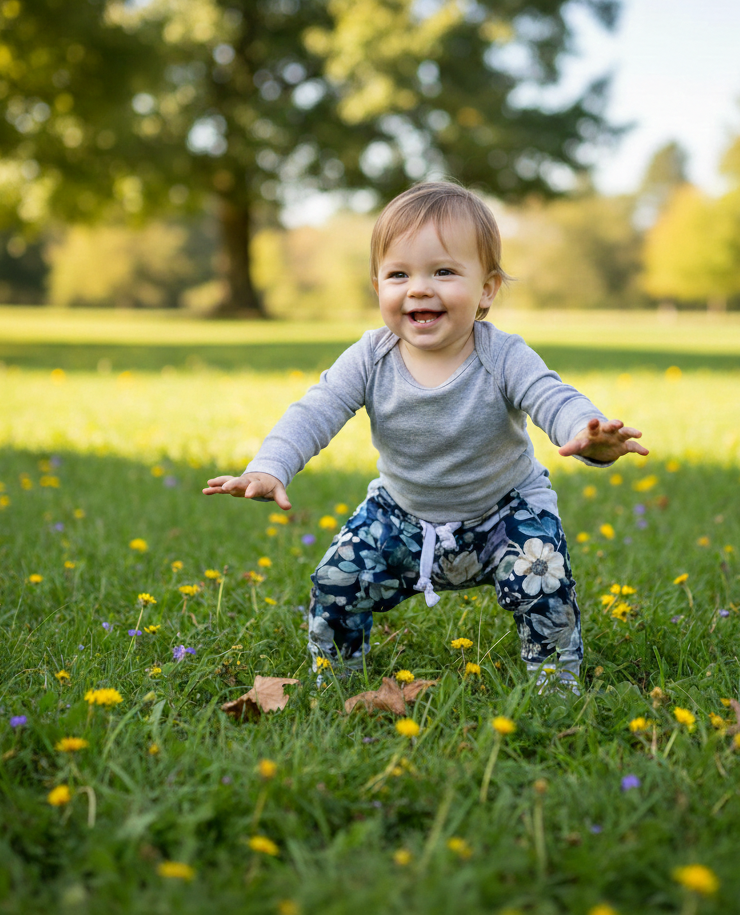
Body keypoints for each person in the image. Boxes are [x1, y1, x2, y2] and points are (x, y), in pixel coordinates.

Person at [204, 182, 647, 693]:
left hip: (505, 511)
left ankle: (554, 686)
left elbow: (553, 396)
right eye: (399, 274)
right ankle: (337, 682)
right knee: (336, 580)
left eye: (443, 271)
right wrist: (269, 466)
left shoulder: (501, 355)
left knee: (542, 577)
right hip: (399, 515)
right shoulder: (370, 357)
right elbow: (315, 410)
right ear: (378, 288)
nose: (418, 288)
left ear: (487, 288)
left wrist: (585, 433)